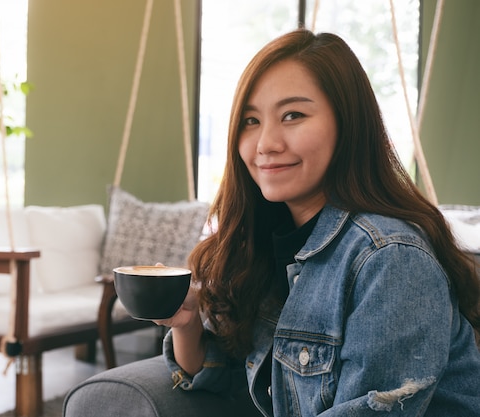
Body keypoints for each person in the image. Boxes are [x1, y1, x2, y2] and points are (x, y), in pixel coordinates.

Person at [157, 29, 480, 416]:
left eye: (293, 115)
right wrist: (186, 322)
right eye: (251, 120)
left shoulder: (389, 258)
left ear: (347, 125)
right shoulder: (268, 243)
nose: (265, 144)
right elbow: (222, 381)